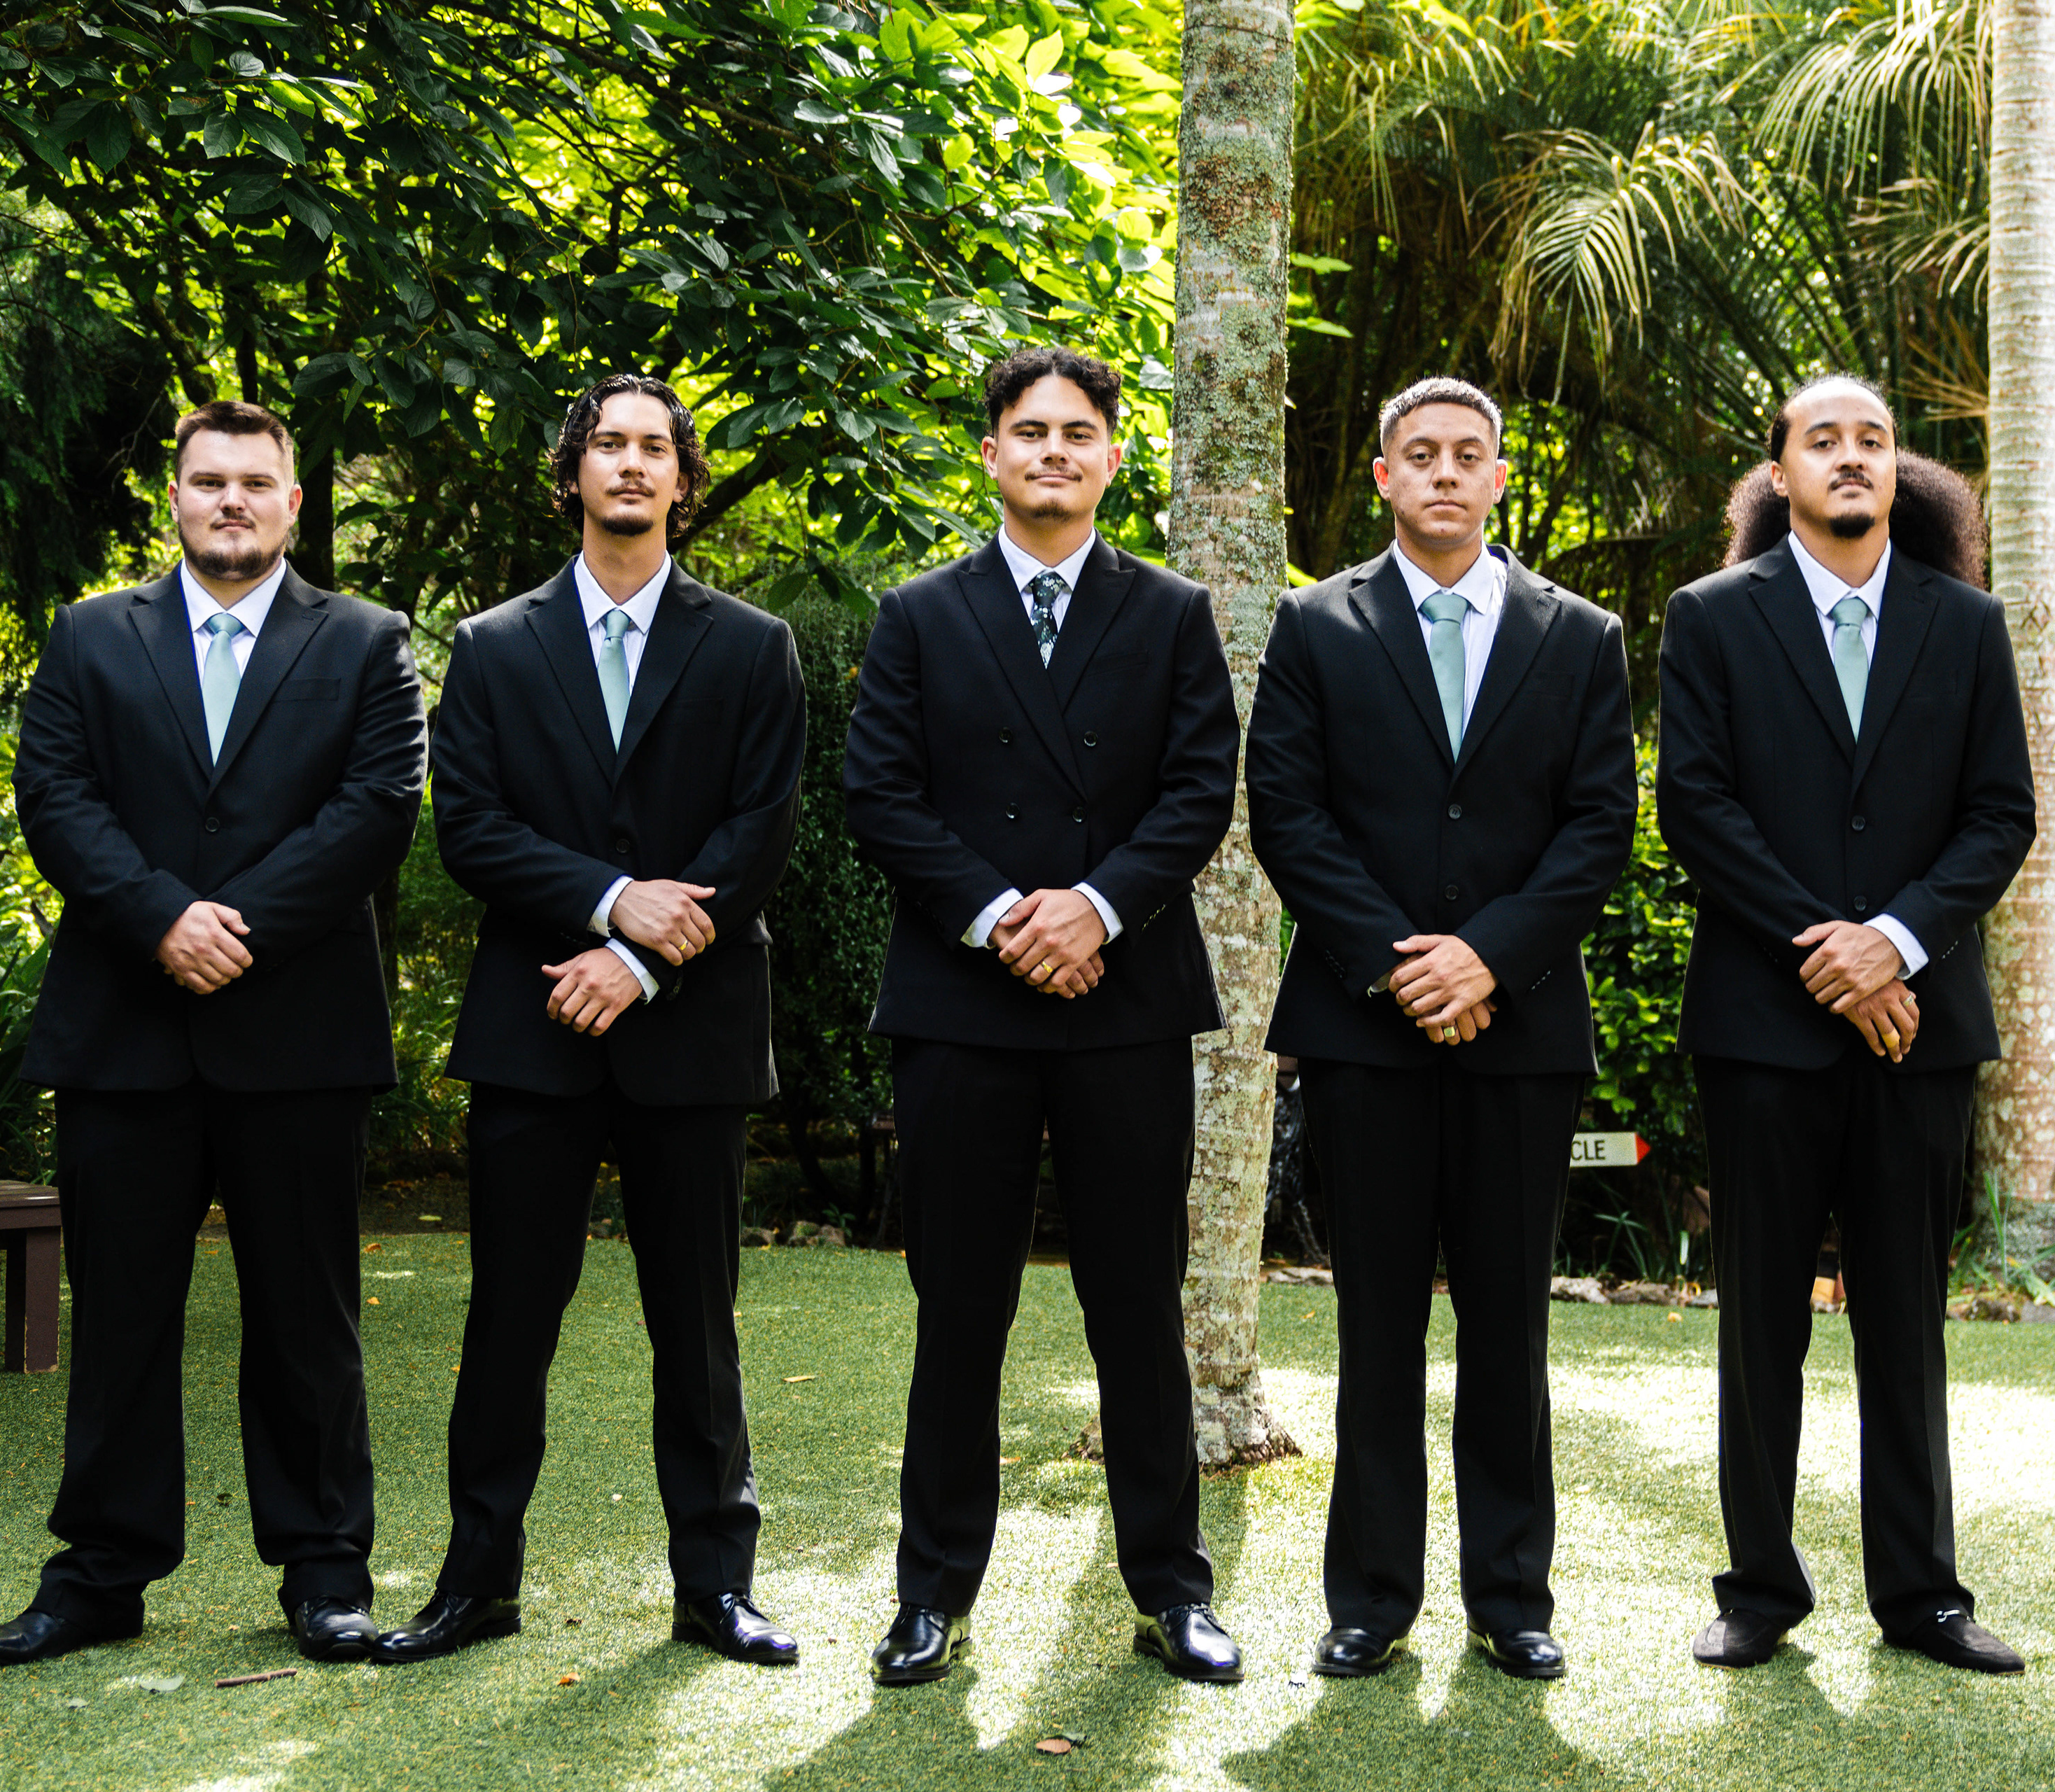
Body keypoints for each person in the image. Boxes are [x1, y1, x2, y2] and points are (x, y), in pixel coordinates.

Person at [0, 400, 427, 1666]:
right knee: (120, 1322)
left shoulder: (368, 639)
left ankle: (325, 1572)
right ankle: (101, 1576)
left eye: (255, 482)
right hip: (124, 1029)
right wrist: (163, 920)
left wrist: (237, 929)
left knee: (306, 1321)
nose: (232, 499)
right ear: (172, 498)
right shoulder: (89, 635)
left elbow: (379, 805)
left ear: (294, 504)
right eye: (209, 480)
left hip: (300, 1035)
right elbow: (55, 797)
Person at [372, 376, 807, 1668]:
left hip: (692, 1031)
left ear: (683, 480)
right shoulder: (494, 644)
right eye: (607, 445)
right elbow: (473, 830)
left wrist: (643, 966)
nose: (630, 464)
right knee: (508, 1321)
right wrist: (615, 908)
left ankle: (716, 1588)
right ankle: (476, 1583)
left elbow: (760, 836)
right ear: (572, 474)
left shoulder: (753, 646)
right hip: (538, 1026)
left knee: (699, 1326)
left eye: (653, 448)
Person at [842, 346, 1242, 1686]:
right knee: (960, 1308)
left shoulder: (1173, 611)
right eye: (1030, 431)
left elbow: (1198, 789)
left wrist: (1098, 911)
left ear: (1114, 458)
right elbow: (881, 794)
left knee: (1139, 1309)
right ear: (992, 455)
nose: (1054, 451)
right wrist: (1008, 917)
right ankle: (931, 1596)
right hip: (965, 1002)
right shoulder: (919, 612)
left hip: (1127, 1002)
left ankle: (1172, 1591)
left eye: (1079, 433)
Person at [1247, 377, 1638, 1681]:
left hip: (1521, 1032)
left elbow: (1599, 823)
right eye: (1421, 454)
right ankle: (1370, 1599)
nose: (1446, 473)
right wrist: (1401, 965)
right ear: (1384, 477)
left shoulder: (1580, 634)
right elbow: (1288, 811)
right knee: (1376, 1328)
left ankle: (1512, 1599)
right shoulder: (1315, 624)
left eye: (1470, 454)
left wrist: (1489, 960)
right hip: (1366, 1029)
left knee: (1509, 1328)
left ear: (1500, 477)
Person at [1656, 372, 2036, 1674]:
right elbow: (1697, 806)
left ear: (1898, 469)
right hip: (1764, 1023)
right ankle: (1759, 1590)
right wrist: (1833, 951)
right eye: (1824, 440)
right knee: (1760, 1315)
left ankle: (1923, 1598)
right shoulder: (1710, 618)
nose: (1853, 457)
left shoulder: (1968, 624)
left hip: (1922, 1028)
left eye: (1873, 439)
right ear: (1781, 476)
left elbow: (2001, 813)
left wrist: (1898, 944)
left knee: (1905, 1317)